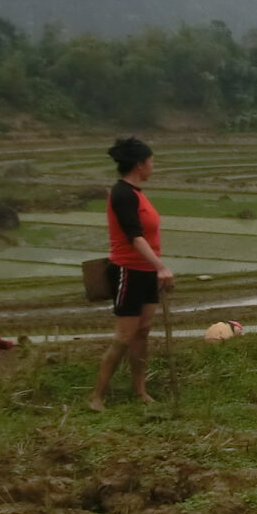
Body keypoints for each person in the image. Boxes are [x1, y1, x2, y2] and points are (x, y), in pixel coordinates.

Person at [90, 136, 174, 408]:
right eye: (151, 161)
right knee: (124, 336)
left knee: (143, 332)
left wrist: (155, 268)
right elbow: (134, 237)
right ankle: (96, 397)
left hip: (146, 271)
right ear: (140, 165)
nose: (153, 166)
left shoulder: (136, 193)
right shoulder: (123, 194)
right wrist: (161, 267)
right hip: (128, 271)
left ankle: (140, 391)